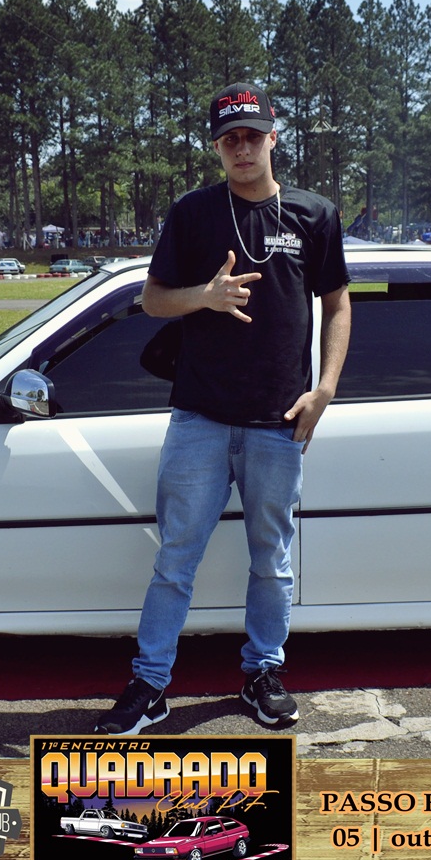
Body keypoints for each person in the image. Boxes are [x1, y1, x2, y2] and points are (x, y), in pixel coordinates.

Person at [93, 82, 351, 735]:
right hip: (200, 418)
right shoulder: (194, 213)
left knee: (272, 558)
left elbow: (338, 303)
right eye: (229, 138)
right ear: (216, 147)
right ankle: (150, 684)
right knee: (175, 559)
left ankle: (263, 672)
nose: (242, 148)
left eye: (252, 135)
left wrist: (325, 389)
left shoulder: (315, 215)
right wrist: (203, 297)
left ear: (273, 137)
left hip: (280, 422)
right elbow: (152, 299)